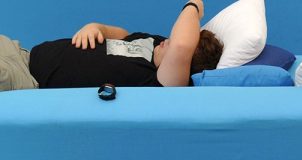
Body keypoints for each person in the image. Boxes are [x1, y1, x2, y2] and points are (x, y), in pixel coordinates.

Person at [0, 0, 223, 91]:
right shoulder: (153, 42)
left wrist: (194, 5)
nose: (170, 39)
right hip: (21, 52)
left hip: (24, 79)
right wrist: (97, 27)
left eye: (174, 41)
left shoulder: (162, 82)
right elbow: (121, 34)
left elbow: (182, 46)